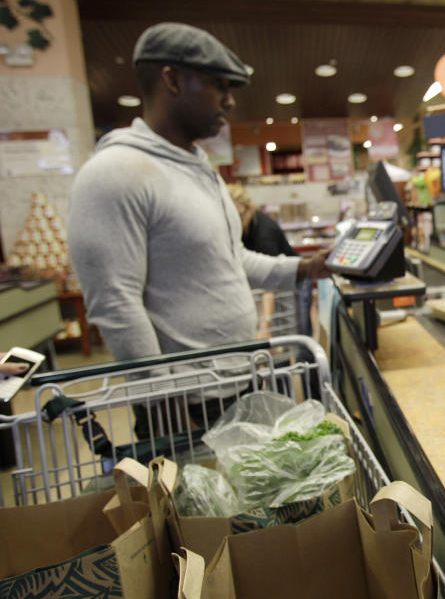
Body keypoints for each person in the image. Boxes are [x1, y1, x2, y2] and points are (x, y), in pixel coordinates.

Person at [68, 22, 331, 433]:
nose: (228, 101)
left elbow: (231, 260)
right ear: (171, 79)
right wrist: (163, 403)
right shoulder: (114, 173)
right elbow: (115, 303)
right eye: (217, 85)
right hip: (184, 408)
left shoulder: (198, 169)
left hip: (238, 383)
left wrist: (304, 268)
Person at [227, 183, 314, 340]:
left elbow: (269, 282)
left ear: (250, 209)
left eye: (240, 215)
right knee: (281, 333)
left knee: (297, 336)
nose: (237, 221)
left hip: (296, 279)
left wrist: (265, 325)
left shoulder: (264, 233)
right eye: (231, 216)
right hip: (276, 284)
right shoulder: (239, 229)